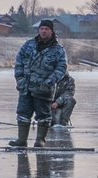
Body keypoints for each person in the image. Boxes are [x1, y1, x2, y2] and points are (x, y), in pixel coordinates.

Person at [11, 19, 68, 147]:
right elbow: (19, 61)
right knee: (23, 113)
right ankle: (21, 140)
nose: (43, 31)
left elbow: (61, 68)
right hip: (26, 87)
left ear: (52, 31)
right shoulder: (28, 45)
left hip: (44, 89)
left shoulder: (58, 50)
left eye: (46, 29)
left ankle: (40, 140)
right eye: (41, 28)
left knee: (43, 115)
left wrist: (49, 81)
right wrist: (19, 77)